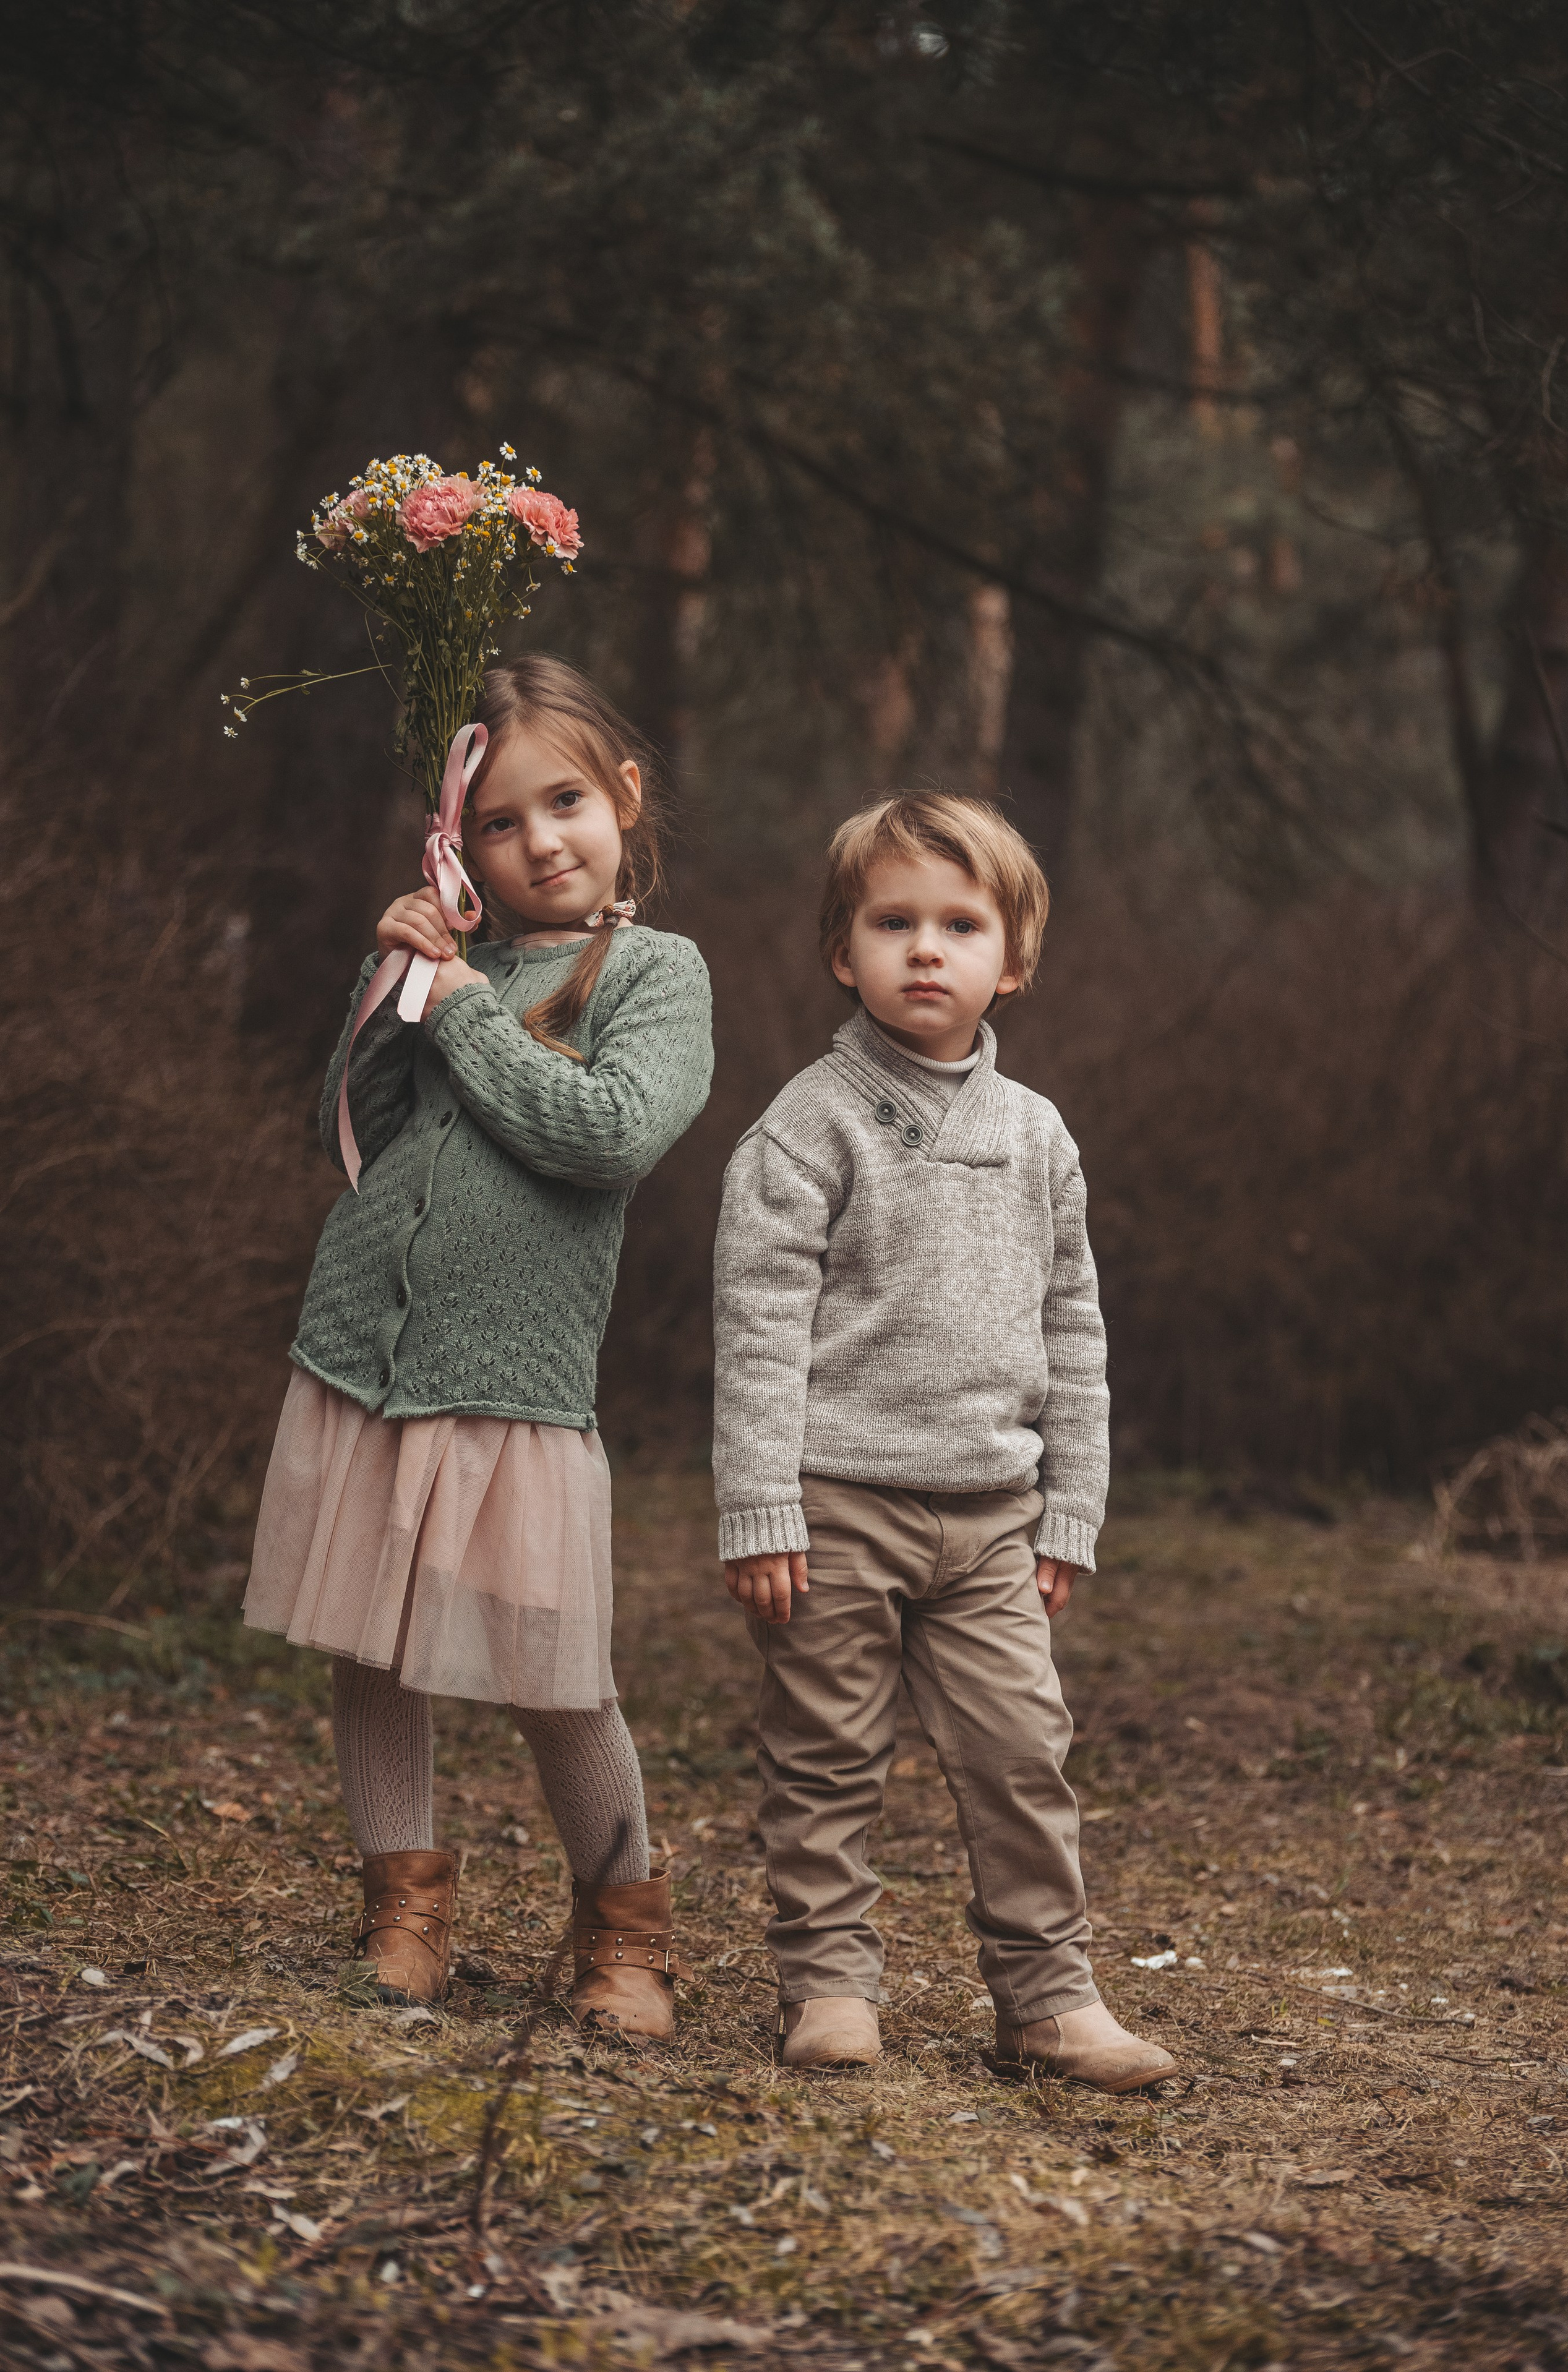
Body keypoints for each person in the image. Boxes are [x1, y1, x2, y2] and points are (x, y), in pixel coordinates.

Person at [244, 656, 713, 2034]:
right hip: (363, 1356)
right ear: (463, 845)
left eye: (562, 800)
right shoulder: (458, 961)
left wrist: (458, 1008)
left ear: (623, 795)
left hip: (512, 1382)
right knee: (372, 1650)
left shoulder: (656, 972)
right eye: (497, 824)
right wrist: (394, 972)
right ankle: (407, 1912)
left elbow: (610, 1132)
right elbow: (373, 1124)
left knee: (555, 1674)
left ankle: (624, 1930)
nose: (538, 842)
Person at [712, 792, 1175, 2090]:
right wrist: (759, 1506)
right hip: (832, 1505)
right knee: (823, 1759)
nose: (926, 948)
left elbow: (1072, 1328)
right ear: (839, 951)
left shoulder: (1036, 1137)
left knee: (1022, 1757)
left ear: (1010, 962)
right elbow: (755, 1326)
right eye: (892, 921)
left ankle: (1045, 1998)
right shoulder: (808, 1125)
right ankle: (828, 1988)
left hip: (989, 1520)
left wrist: (1068, 1508)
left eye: (959, 924)